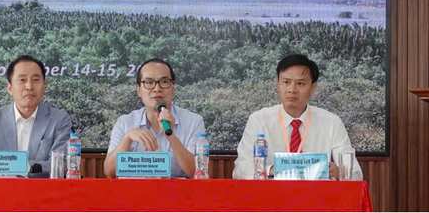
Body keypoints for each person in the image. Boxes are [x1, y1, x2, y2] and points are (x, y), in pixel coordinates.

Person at [232, 54, 363, 180]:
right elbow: (240, 170)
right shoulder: (258, 120)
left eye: (300, 83)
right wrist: (270, 170)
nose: (292, 89)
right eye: (286, 82)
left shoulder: (332, 122)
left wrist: (340, 173)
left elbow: (355, 173)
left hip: (317, 194)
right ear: (278, 84)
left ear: (313, 87)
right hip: (271, 194)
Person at [0, 55, 72, 176]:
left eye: (36, 80)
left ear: (44, 86)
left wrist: (22, 167)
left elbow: (63, 165)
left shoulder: (59, 120)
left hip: (42, 188)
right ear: (10, 88)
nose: (29, 87)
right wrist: (20, 167)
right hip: (0, 187)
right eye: (22, 80)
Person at [103, 58, 206, 178]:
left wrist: (171, 136)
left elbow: (197, 172)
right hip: (134, 189)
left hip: (176, 189)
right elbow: (109, 172)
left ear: (173, 89)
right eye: (149, 82)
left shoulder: (194, 122)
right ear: (139, 91)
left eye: (164, 81)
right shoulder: (124, 122)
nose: (157, 89)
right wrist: (127, 139)